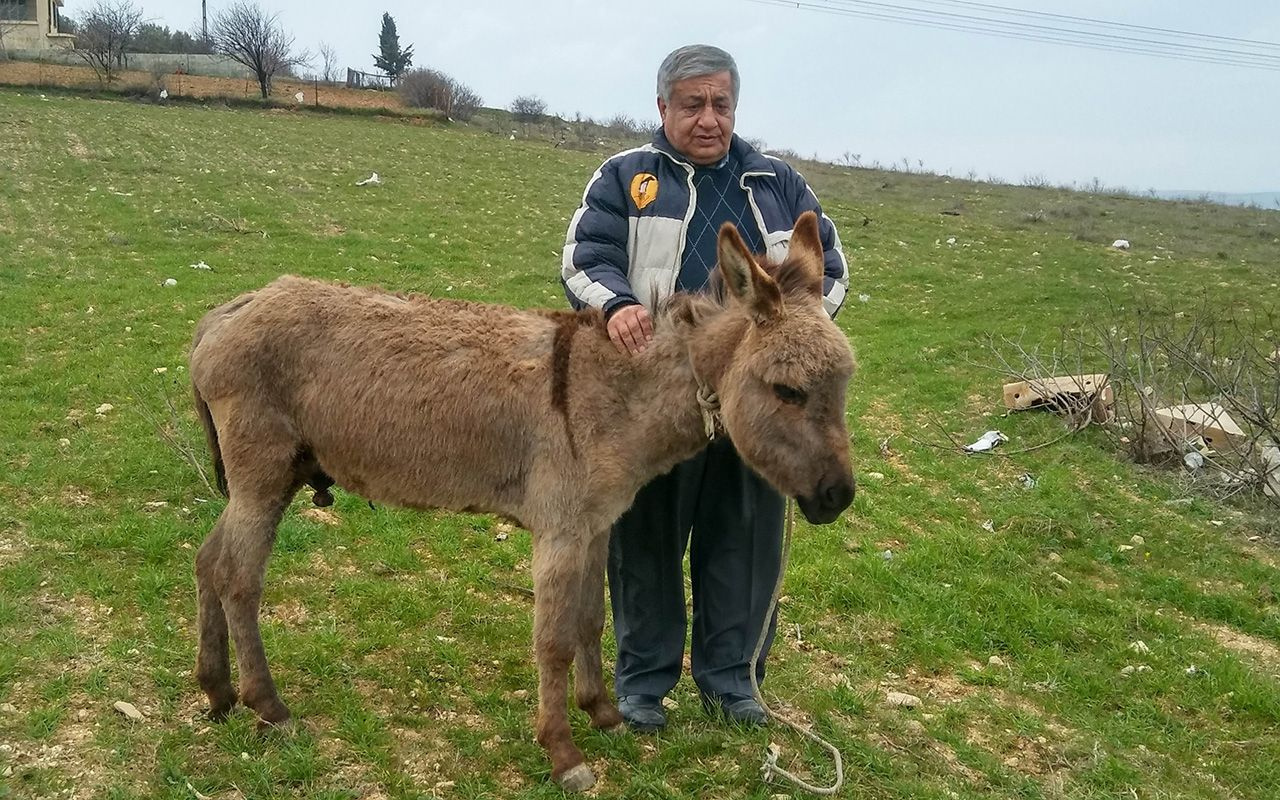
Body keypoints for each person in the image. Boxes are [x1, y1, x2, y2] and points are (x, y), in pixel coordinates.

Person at [560, 44, 849, 731]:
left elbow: (827, 269)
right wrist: (618, 306)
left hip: (759, 402)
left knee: (745, 543)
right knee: (646, 541)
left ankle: (734, 680)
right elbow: (585, 257)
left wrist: (790, 336)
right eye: (693, 105)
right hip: (659, 402)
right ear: (663, 107)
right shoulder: (627, 177)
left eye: (721, 104)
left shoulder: (775, 182)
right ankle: (643, 683)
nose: (709, 119)